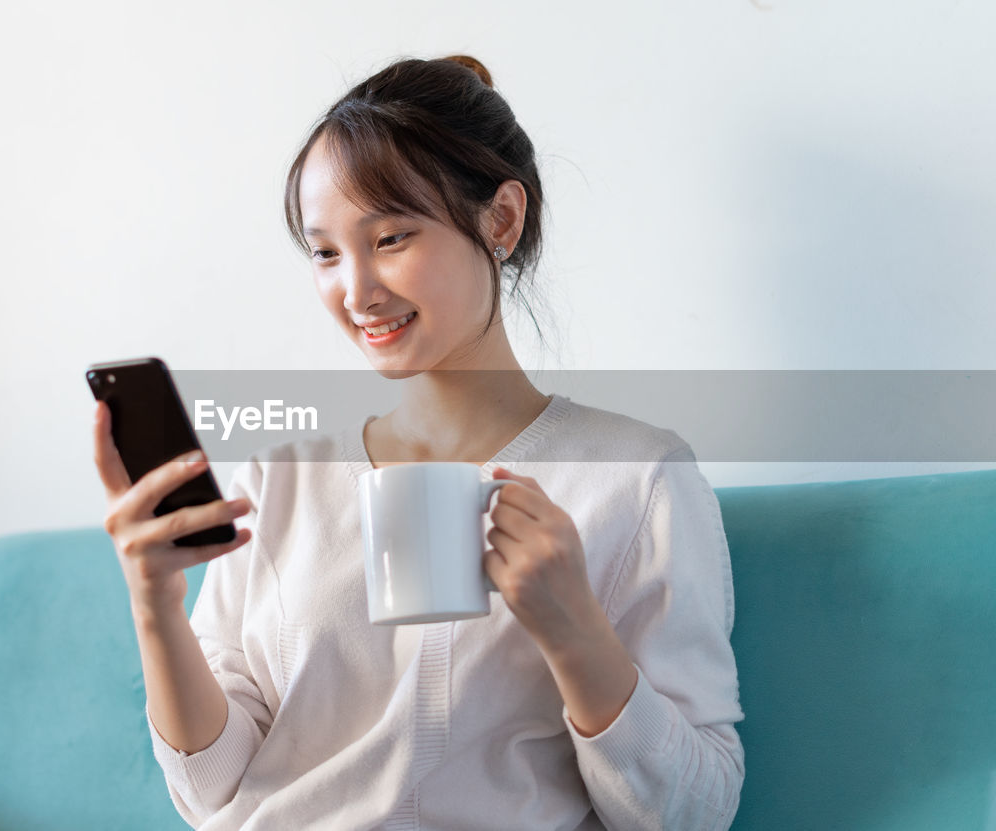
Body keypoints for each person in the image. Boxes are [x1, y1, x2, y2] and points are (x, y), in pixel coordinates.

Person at [92, 54, 744, 830]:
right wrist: (156, 605)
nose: (357, 290)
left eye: (391, 237)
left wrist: (574, 630)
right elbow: (213, 792)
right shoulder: (277, 483)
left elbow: (695, 811)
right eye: (326, 253)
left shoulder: (634, 480)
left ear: (501, 219)